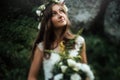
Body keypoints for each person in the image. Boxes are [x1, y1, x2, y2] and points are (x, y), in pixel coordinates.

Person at [27, 0, 89, 80]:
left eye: (61, 11)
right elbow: (32, 77)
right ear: (48, 21)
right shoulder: (42, 47)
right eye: (54, 14)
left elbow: (86, 73)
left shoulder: (79, 41)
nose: (60, 15)